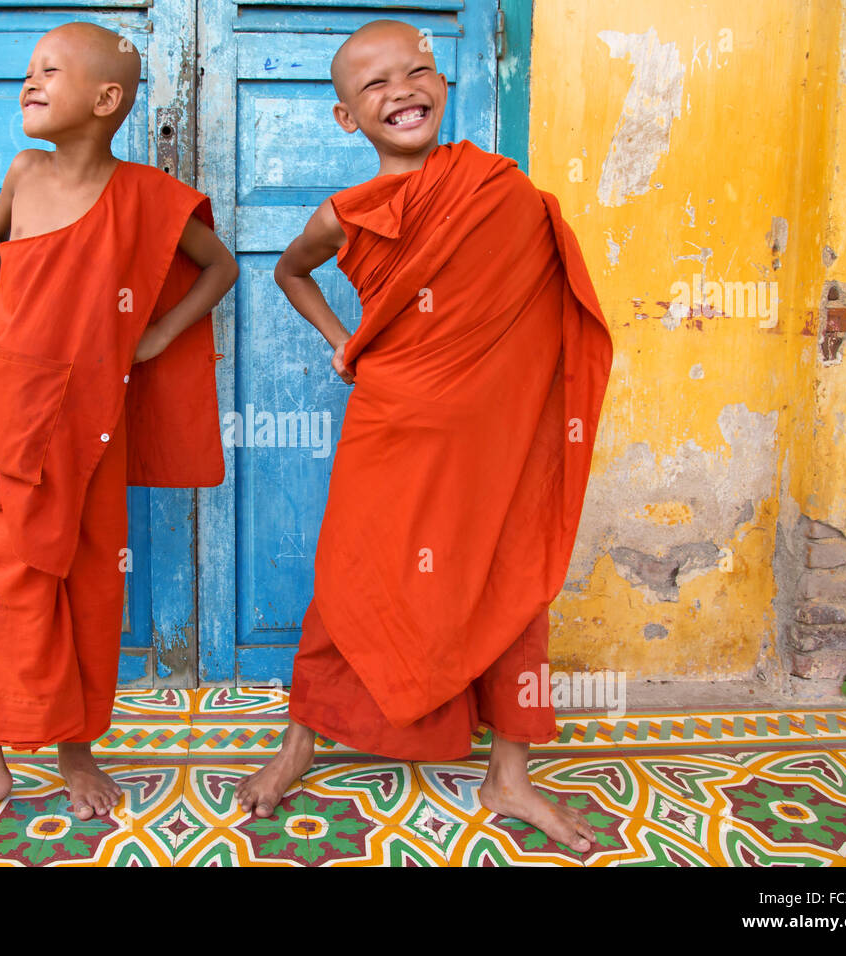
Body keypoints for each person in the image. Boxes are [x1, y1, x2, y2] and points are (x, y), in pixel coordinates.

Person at [235, 19, 614, 852]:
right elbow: (289, 271)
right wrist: (345, 342)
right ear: (346, 118)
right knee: (350, 577)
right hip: (394, 419)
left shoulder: (499, 191)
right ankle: (299, 742)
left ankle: (508, 777)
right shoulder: (346, 213)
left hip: (494, 437)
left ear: (442, 84)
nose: (400, 91)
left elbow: (548, 310)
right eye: (374, 85)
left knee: (509, 575)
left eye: (415, 72)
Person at [0, 22, 238, 827]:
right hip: (15, 423)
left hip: (90, 428)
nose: (29, 81)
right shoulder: (24, 171)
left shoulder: (146, 196)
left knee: (84, 591)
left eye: (51, 70)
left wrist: (156, 334)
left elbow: (218, 266)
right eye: (29, 70)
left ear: (107, 99)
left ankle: (76, 752)